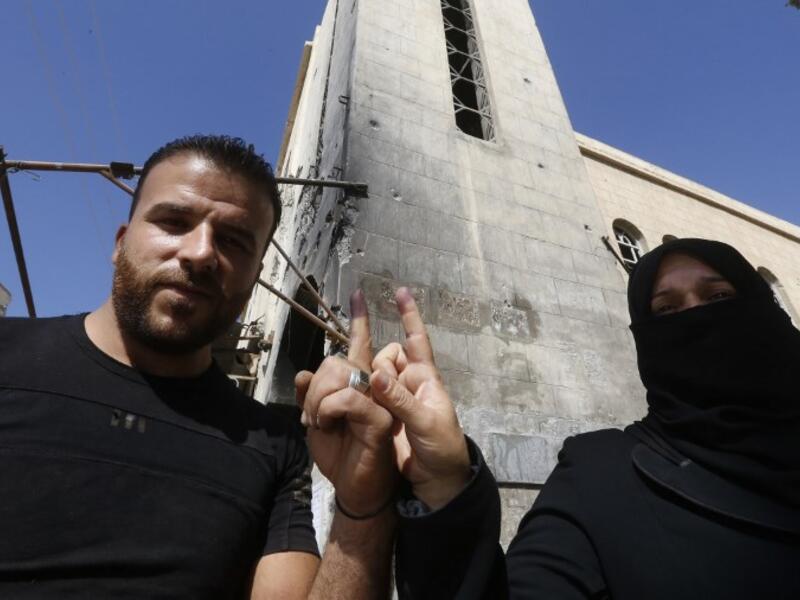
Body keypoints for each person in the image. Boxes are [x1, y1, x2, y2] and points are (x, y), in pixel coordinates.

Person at [0, 135, 396, 599]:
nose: (201, 253)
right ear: (121, 242)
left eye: (232, 241)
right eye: (173, 221)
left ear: (252, 285)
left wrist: (363, 504)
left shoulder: (274, 446)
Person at [301, 238, 800, 599]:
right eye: (666, 311)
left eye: (717, 298)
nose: (696, 319)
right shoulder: (601, 476)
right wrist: (446, 488)